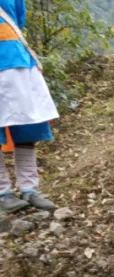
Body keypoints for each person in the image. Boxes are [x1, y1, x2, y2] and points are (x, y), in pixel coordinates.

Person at [0, 0, 59, 213]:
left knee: (28, 126)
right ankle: (3, 194)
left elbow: (19, 18)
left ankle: (29, 189)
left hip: (16, 59)